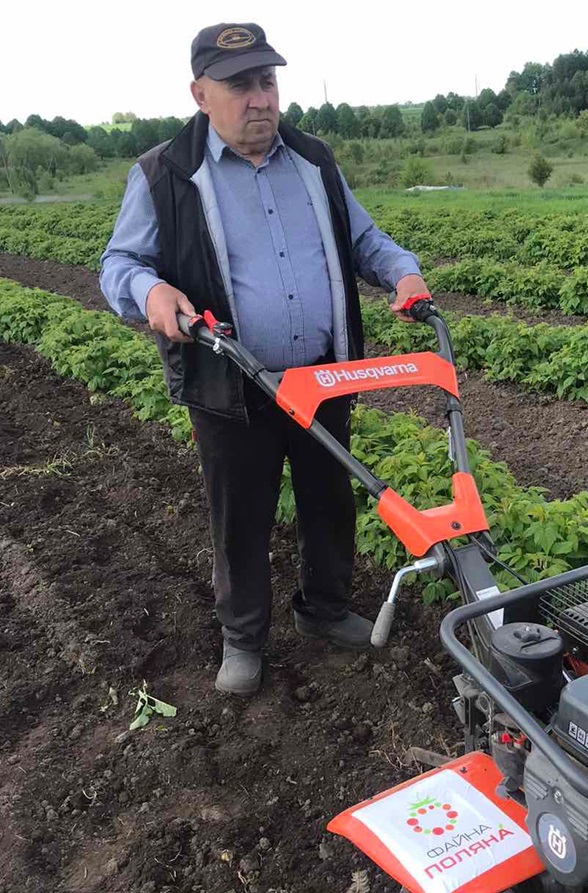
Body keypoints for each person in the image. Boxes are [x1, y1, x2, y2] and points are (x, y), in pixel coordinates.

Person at [100, 22, 432, 696]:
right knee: (240, 514)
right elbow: (119, 265)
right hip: (230, 378)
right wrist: (151, 289)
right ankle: (244, 638)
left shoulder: (313, 160)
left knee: (328, 499)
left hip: (321, 372)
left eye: (267, 80)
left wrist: (403, 273)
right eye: (239, 84)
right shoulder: (164, 174)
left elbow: (367, 239)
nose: (259, 98)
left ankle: (325, 608)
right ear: (200, 93)